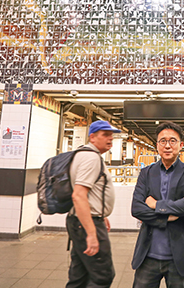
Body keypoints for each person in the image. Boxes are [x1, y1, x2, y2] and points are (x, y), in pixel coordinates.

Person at [131, 122, 184, 288]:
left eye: (172, 141)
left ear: (181, 145)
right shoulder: (146, 173)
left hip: (179, 256)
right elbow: (136, 208)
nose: (167, 145)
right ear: (157, 145)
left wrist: (156, 205)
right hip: (148, 255)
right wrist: (169, 216)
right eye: (163, 141)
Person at [66, 120, 118, 288]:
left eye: (111, 135)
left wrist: (101, 214)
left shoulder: (82, 154)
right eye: (105, 135)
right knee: (103, 275)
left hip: (82, 220)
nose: (110, 139)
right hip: (87, 224)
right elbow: (79, 196)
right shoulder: (91, 158)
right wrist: (91, 233)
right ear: (93, 137)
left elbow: (90, 194)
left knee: (79, 276)